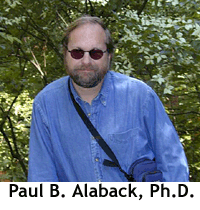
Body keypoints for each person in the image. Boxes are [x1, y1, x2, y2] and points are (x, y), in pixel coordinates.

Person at [28, 15, 189, 182]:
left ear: (109, 55)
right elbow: (41, 178)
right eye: (77, 52)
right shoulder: (45, 105)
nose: (86, 61)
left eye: (96, 53)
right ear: (65, 54)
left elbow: (173, 165)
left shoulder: (140, 96)